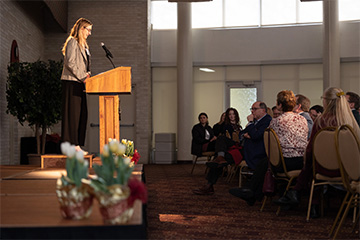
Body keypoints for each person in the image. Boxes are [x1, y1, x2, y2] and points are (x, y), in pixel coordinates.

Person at [275, 87, 360, 218]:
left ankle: (308, 200)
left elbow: (310, 150)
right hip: (348, 171)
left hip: (322, 170)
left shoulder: (321, 121)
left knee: (311, 161)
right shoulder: (350, 122)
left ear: (327, 102)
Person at [229, 90, 308, 206]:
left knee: (265, 163)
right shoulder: (303, 120)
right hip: (302, 160)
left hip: (285, 162)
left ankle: (252, 192)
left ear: (279, 105)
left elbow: (271, 143)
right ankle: (252, 193)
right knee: (264, 162)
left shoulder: (276, 121)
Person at [192, 107, 242, 195]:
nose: (231, 116)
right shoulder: (225, 126)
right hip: (229, 147)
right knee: (219, 159)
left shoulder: (240, 126)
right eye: (229, 114)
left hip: (238, 148)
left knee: (218, 158)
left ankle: (209, 185)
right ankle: (209, 185)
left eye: (233, 114)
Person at [61, 18, 92, 154]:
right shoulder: (72, 42)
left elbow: (83, 65)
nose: (90, 33)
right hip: (72, 82)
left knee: (82, 114)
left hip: (80, 83)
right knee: (73, 115)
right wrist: (82, 76)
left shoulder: (84, 45)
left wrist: (88, 74)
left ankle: (77, 145)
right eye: (88, 30)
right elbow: (70, 63)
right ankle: (72, 146)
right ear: (81, 29)